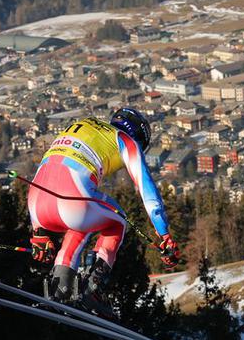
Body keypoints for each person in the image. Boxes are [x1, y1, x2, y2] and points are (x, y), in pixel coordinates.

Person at [26, 107, 180, 317]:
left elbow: (49, 168)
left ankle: (59, 286)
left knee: (84, 223)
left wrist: (38, 232)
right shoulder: (126, 141)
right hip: (72, 200)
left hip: (36, 204)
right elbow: (148, 190)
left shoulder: (85, 124)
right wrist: (164, 234)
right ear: (137, 136)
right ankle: (93, 288)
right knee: (117, 220)